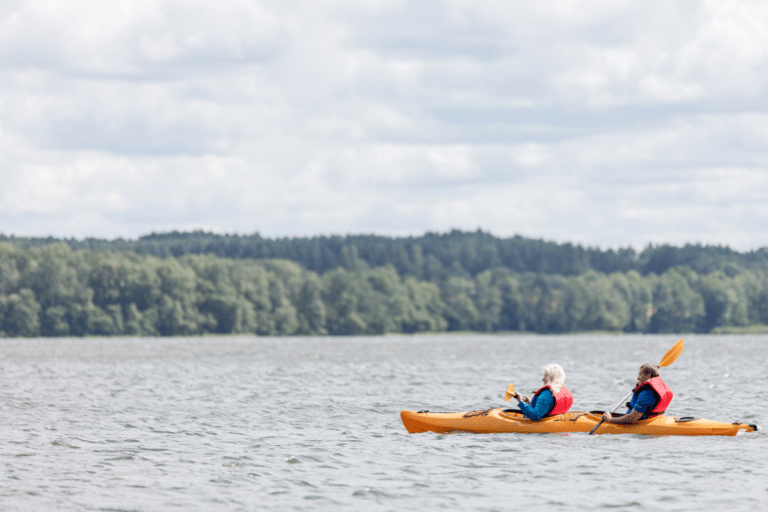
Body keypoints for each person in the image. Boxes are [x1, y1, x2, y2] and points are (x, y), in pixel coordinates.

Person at [601, 363, 673, 425]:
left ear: (648, 375)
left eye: (640, 375)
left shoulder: (646, 393)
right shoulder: (653, 389)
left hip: (640, 423)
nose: (638, 378)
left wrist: (610, 420)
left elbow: (631, 419)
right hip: (653, 420)